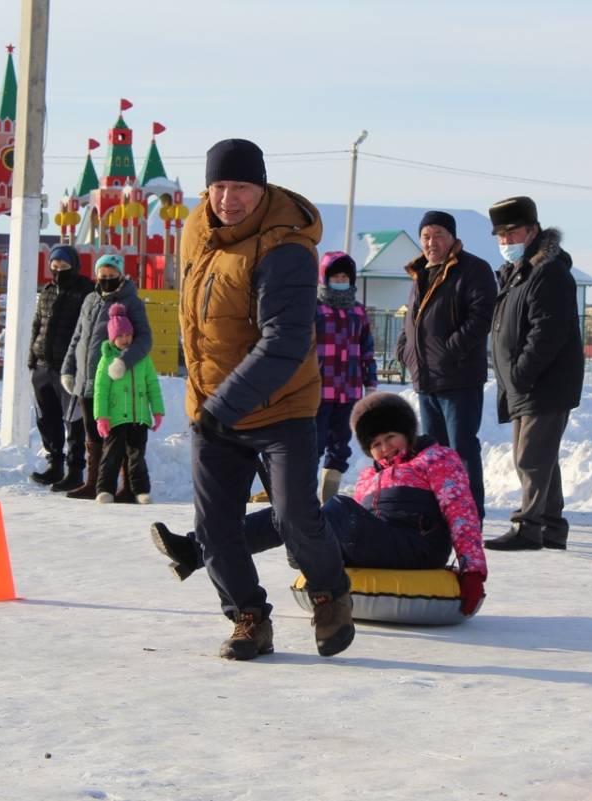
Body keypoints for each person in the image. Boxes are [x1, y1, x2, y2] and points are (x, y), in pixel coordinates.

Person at [178, 137, 354, 661]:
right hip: (213, 408)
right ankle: (248, 618)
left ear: (262, 187)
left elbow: (285, 340)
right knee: (214, 529)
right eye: (220, 186)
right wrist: (207, 399)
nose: (229, 199)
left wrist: (222, 406)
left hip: (280, 408)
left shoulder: (286, 247)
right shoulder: (196, 231)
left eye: (242, 187)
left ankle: (329, 594)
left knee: (296, 514)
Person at [151, 392, 487, 617]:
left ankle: (298, 548)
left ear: (407, 433)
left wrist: (472, 572)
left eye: (390, 438)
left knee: (333, 508)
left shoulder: (436, 459)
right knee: (296, 512)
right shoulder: (371, 476)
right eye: (376, 444)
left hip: (417, 545)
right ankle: (197, 549)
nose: (384, 448)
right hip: (379, 545)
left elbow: (462, 513)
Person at [482, 197, 585, 551]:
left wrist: (521, 372)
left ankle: (528, 528)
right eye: (501, 235)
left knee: (530, 457)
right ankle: (552, 527)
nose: (507, 241)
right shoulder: (517, 273)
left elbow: (547, 332)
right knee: (540, 458)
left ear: (533, 230)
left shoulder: (548, 272)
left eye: (513, 233)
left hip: (543, 381)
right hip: (522, 382)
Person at [395, 210, 496, 521]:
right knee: (434, 454)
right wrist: (405, 350)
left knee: (462, 449)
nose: (431, 242)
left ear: (453, 238)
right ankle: (442, 511)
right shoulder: (421, 271)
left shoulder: (473, 269)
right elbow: (413, 319)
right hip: (425, 379)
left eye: (438, 235)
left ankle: (470, 514)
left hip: (459, 378)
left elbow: (480, 318)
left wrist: (451, 350)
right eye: (426, 236)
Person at [60, 251, 153, 500]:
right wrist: (68, 369)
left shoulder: (131, 302)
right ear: (96, 275)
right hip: (86, 379)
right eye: (103, 275)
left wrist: (124, 362)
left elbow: (144, 339)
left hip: (116, 382)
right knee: (93, 435)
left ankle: (128, 487)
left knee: (117, 435)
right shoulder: (90, 299)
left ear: (120, 276)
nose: (107, 279)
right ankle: (95, 483)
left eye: (112, 275)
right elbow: (77, 337)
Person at [27, 244, 94, 490]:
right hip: (43, 366)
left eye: (64, 266)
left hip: (70, 369)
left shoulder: (86, 292)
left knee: (74, 420)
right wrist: (32, 358)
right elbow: (37, 324)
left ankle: (75, 471)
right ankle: (55, 465)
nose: (58, 271)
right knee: (47, 418)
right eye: (54, 267)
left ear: (74, 266)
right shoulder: (47, 291)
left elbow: (88, 331)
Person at [314, 251, 378, 503]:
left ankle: (328, 494)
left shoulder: (358, 311)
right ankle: (304, 496)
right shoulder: (314, 309)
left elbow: (367, 349)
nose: (340, 280)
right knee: (314, 445)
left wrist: (370, 382)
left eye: (344, 276)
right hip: (318, 390)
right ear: (325, 278)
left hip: (349, 391)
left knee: (341, 445)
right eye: (335, 276)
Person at [92, 304, 164, 505]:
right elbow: (101, 391)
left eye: (128, 335)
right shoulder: (106, 360)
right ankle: (105, 489)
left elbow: (153, 385)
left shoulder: (142, 358)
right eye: (120, 336)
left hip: (139, 417)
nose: (125, 340)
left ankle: (139, 490)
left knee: (137, 457)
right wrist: (101, 417)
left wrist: (157, 411)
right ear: (112, 338)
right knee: (111, 456)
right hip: (115, 418)